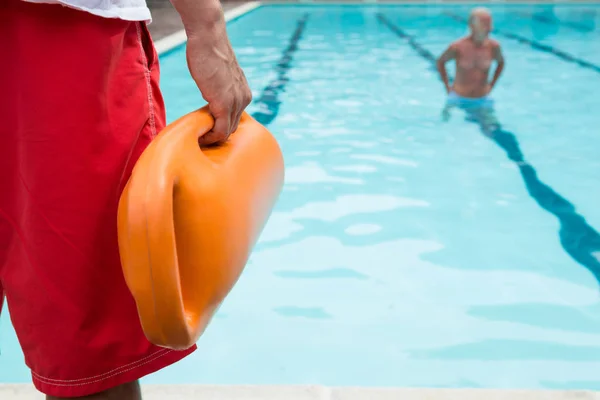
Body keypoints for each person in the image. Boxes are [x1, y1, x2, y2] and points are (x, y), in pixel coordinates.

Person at [0, 0, 251, 399]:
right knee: (88, 355)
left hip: (64, 31)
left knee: (88, 353)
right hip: (65, 38)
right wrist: (207, 26)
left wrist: (207, 27)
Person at [436, 7, 505, 120]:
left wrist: (492, 85)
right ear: (472, 26)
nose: (489, 28)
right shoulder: (458, 46)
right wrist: (447, 87)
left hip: (482, 98)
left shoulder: (494, 47)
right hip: (458, 97)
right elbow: (440, 62)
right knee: (445, 125)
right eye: (484, 24)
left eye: (489, 23)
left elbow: (501, 63)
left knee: (492, 127)